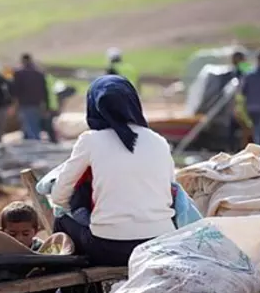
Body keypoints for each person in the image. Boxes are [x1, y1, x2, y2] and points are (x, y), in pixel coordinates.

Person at [49, 75, 176, 266]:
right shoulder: (159, 141)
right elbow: (169, 191)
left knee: (61, 220)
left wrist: (85, 213)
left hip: (110, 248)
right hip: (162, 242)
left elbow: (59, 196)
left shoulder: (91, 140)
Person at [11, 53, 48, 140]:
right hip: (37, 103)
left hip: (25, 103)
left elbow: (16, 90)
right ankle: (28, 146)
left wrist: (14, 104)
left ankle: (34, 148)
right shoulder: (39, 73)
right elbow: (44, 90)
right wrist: (45, 104)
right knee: (31, 125)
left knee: (30, 127)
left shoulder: (19, 73)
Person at [228, 50, 253, 152]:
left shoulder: (244, 69)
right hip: (239, 104)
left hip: (243, 105)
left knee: (245, 128)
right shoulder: (242, 69)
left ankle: (243, 150)